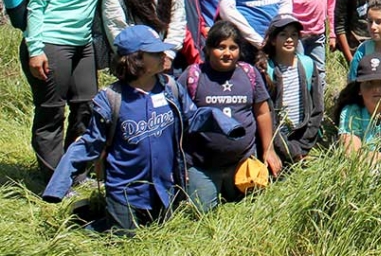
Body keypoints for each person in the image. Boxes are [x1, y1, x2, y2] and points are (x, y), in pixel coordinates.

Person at [40, 26, 242, 232]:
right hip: (125, 193)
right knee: (124, 240)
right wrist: (58, 186)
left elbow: (192, 117)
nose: (163, 55)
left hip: (164, 189)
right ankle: (82, 225)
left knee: (159, 234)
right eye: (155, 53)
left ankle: (98, 217)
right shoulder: (111, 99)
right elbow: (89, 145)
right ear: (135, 59)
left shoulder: (170, 88)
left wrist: (225, 123)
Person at [20, 0, 112, 180]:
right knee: (51, 112)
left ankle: (76, 171)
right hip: (51, 42)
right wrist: (35, 49)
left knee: (85, 107)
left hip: (83, 43)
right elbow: (37, 3)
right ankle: (52, 179)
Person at [179, 21, 281, 212]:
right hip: (203, 165)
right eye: (221, 47)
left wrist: (269, 150)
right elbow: (177, 120)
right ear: (208, 49)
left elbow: (262, 112)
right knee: (200, 214)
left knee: (251, 211)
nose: (228, 53)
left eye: (233, 47)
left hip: (243, 161)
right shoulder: (192, 76)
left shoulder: (249, 74)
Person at [256, 15, 324, 164]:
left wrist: (302, 146)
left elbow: (317, 109)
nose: (289, 39)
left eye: (293, 35)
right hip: (276, 142)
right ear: (273, 40)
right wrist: (287, 149)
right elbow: (267, 114)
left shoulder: (308, 65)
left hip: (302, 142)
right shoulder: (265, 70)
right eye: (283, 35)